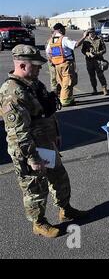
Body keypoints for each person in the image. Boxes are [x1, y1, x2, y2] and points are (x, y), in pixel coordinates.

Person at [0, 45, 88, 238]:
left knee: (59, 178)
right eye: (36, 65)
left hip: (45, 144)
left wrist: (55, 134)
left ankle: (65, 209)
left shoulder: (33, 84)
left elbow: (46, 113)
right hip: (29, 150)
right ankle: (38, 223)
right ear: (22, 65)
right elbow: (18, 132)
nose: (40, 68)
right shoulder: (12, 93)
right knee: (35, 188)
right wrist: (32, 158)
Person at [46, 23, 87, 106]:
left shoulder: (52, 40)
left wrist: (53, 61)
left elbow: (48, 52)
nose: (65, 30)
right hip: (66, 64)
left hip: (57, 65)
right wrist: (84, 36)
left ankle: (69, 98)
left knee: (62, 82)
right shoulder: (63, 39)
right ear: (60, 30)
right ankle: (64, 101)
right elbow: (76, 45)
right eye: (64, 29)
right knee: (67, 83)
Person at [81, 27, 108, 96]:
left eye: (92, 32)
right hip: (89, 61)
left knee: (100, 75)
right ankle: (94, 89)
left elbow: (104, 50)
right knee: (92, 76)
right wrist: (88, 54)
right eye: (89, 33)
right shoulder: (85, 40)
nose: (90, 34)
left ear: (94, 32)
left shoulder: (99, 39)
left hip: (98, 60)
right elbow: (83, 50)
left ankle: (104, 88)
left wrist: (97, 53)